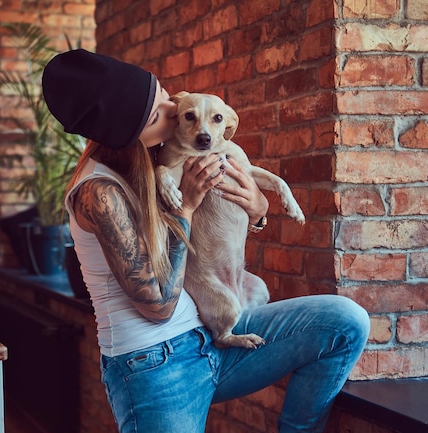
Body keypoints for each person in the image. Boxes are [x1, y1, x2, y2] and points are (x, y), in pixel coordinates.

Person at [42, 49, 370, 433]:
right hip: (156, 366)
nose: (171, 109)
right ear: (126, 133)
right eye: (156, 114)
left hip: (207, 336)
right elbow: (159, 305)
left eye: (163, 95)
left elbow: (220, 221)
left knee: (346, 321)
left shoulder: (156, 159)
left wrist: (258, 211)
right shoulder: (98, 193)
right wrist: (188, 206)